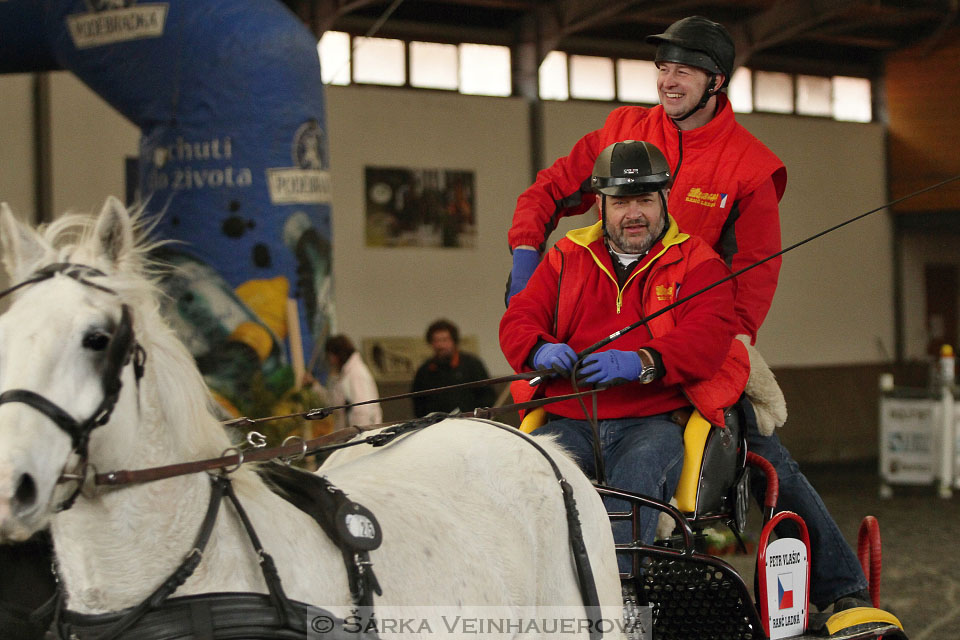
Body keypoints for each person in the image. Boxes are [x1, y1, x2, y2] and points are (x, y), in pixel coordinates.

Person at [505, 16, 871, 612]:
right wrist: (526, 251)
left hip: (697, 324)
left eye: (685, 71)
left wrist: (734, 343)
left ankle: (842, 589)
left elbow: (755, 268)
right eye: (664, 69)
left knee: (759, 449)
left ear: (716, 82)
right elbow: (547, 190)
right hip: (600, 320)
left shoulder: (749, 166)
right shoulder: (623, 129)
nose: (669, 82)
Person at [501, 140, 748, 563]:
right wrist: (538, 349)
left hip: (652, 424)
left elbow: (708, 337)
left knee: (631, 488)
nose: (633, 213)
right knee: (525, 478)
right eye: (620, 202)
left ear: (664, 200)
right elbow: (519, 317)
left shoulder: (698, 261)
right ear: (600, 204)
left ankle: (621, 609)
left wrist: (642, 362)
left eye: (645, 200)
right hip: (571, 420)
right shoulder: (567, 255)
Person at [411, 319, 496, 417]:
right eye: (436, 340)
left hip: (470, 424)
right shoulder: (425, 370)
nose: (440, 345)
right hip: (436, 427)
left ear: (454, 341)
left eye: (444, 340)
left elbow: (487, 396)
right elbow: (418, 403)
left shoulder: (472, 364)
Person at [324, 334, 382, 429]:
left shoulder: (356, 374)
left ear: (336, 356)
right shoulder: (347, 374)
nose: (330, 361)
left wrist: (357, 438)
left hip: (361, 436)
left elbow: (362, 410)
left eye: (330, 356)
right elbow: (333, 401)